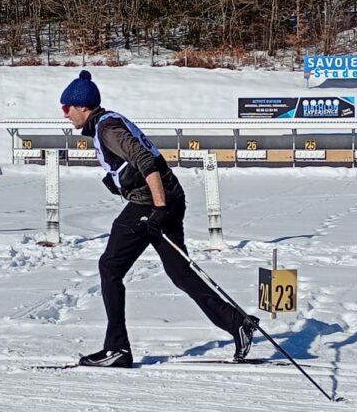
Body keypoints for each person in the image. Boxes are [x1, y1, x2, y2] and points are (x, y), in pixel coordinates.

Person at [59, 70, 258, 368]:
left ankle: (117, 349)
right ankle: (237, 323)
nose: (65, 114)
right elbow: (133, 164)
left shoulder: (108, 129)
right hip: (168, 198)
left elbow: (146, 161)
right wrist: (121, 183)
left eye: (66, 107)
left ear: (83, 106)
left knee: (110, 267)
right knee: (181, 273)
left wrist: (159, 208)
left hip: (151, 204)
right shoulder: (108, 121)